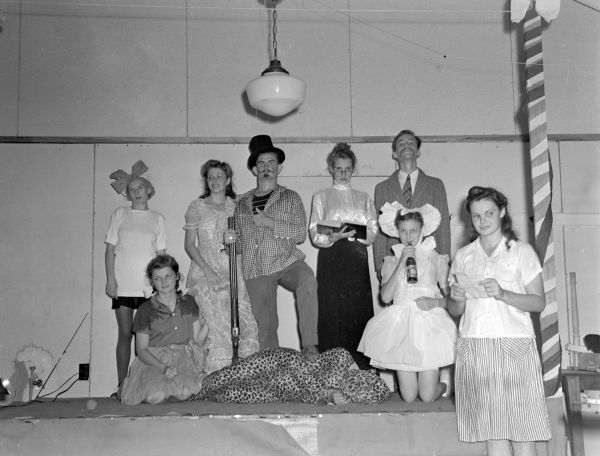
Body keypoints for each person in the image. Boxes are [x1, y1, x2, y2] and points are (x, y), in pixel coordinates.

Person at [449, 186, 551, 454]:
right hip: (476, 347)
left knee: (522, 431)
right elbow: (456, 310)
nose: (482, 221)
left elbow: (539, 302)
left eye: (489, 213)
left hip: (514, 347)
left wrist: (505, 294)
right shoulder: (463, 256)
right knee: (492, 433)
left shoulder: (522, 252)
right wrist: (457, 297)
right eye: (476, 216)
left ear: (502, 212)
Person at [223, 135, 319, 359]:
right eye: (261, 164)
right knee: (266, 327)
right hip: (256, 268)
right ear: (255, 170)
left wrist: (270, 222)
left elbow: (299, 234)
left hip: (286, 261)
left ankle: (310, 346)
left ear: (279, 167)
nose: (266, 168)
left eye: (271, 163)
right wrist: (228, 242)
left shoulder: (291, 197)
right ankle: (272, 366)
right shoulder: (240, 203)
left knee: (307, 279)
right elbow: (236, 247)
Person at [358, 203, 457, 402]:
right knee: (409, 396)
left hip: (429, 324)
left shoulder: (435, 257)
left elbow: (451, 299)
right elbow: (385, 297)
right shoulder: (392, 260)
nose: (408, 236)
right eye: (403, 231)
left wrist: (435, 302)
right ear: (397, 232)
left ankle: (443, 385)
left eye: (413, 231)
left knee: (427, 396)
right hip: (401, 326)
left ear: (422, 230)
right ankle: (421, 385)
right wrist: (401, 261)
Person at [183, 160, 259, 372]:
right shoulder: (196, 207)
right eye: (210, 177)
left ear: (227, 179)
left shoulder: (237, 206)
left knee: (245, 316)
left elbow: (247, 242)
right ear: (206, 181)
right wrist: (208, 272)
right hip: (205, 270)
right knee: (216, 318)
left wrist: (235, 240)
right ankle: (218, 372)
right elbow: (189, 245)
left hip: (234, 269)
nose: (215, 180)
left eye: (219, 176)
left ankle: (246, 371)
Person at [308, 143, 377, 369]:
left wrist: (357, 234)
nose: (343, 174)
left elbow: (373, 230)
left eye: (348, 169)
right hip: (331, 257)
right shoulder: (321, 196)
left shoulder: (363, 197)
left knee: (358, 311)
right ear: (331, 168)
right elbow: (314, 230)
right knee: (332, 310)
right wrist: (333, 236)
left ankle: (363, 371)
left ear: (353, 169)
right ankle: (331, 373)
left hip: (356, 257)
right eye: (339, 169)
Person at [105, 160, 166, 399]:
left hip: (147, 289)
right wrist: (111, 279)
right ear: (127, 194)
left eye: (140, 187)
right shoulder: (119, 214)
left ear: (149, 189)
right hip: (122, 285)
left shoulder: (158, 218)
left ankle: (145, 386)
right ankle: (122, 386)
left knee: (147, 339)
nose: (136, 191)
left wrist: (165, 284)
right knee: (125, 334)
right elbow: (110, 250)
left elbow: (161, 256)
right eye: (131, 189)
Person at [120, 254, 208, 405]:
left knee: (187, 391)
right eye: (157, 278)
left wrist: (210, 320)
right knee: (156, 396)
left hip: (182, 360)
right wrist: (163, 367)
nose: (164, 282)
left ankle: (170, 391)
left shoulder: (189, 303)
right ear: (152, 282)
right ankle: (132, 387)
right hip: (154, 361)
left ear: (177, 277)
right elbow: (141, 350)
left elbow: (199, 341)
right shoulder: (146, 309)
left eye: (168, 276)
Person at [373, 129, 450, 277]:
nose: (406, 146)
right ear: (395, 154)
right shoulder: (381, 188)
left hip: (429, 261)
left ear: (418, 151)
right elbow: (379, 233)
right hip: (394, 262)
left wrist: (444, 261)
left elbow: (444, 227)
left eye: (411, 143)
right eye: (401, 144)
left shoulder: (436, 185)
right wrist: (380, 265)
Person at [197, 347, 390, 406]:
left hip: (277, 392)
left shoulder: (343, 397)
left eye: (357, 392)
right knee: (221, 378)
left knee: (228, 394)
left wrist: (328, 396)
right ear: (366, 374)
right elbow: (301, 364)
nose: (354, 384)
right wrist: (327, 394)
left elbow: (305, 397)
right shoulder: (342, 357)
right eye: (360, 381)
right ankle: (190, 389)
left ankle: (198, 394)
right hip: (275, 362)